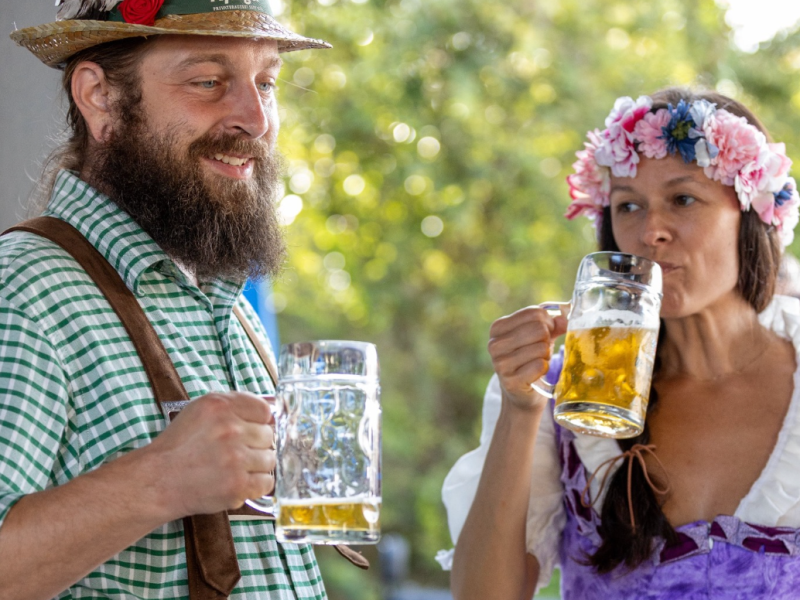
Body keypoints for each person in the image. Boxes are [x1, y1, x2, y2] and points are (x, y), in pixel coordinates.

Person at [0, 1, 340, 598]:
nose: (255, 119)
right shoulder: (25, 291)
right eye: (208, 81)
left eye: (266, 83)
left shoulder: (224, 304)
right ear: (100, 97)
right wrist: (160, 480)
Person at [438, 88, 800, 599]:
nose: (651, 230)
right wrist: (520, 411)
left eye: (682, 199)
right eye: (628, 205)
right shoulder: (561, 389)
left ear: (752, 213)